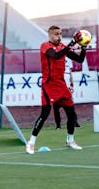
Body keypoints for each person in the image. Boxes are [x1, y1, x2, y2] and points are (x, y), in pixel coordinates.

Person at [26, 26, 87, 154]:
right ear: (49, 35)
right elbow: (56, 56)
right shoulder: (45, 46)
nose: (59, 36)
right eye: (56, 34)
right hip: (49, 85)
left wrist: (84, 47)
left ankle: (70, 140)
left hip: (61, 85)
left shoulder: (62, 47)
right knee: (44, 115)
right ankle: (31, 142)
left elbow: (80, 59)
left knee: (71, 114)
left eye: (60, 34)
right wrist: (72, 43)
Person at [53, 56, 80, 129]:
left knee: (70, 105)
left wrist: (72, 83)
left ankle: (75, 122)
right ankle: (58, 125)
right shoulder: (56, 57)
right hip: (59, 81)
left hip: (67, 80)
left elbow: (70, 72)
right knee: (56, 106)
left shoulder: (68, 59)